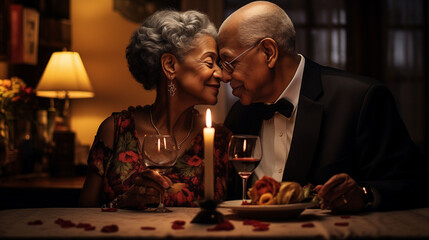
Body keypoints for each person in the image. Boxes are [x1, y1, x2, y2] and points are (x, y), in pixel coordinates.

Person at [219, 1, 428, 212]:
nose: (223, 76)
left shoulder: (361, 99)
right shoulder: (240, 115)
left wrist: (364, 194)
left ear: (268, 52)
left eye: (229, 63)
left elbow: (414, 184)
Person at [79, 10, 231, 209]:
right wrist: (124, 202)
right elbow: (82, 213)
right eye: (210, 62)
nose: (220, 74)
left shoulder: (220, 140)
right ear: (170, 65)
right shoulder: (115, 130)